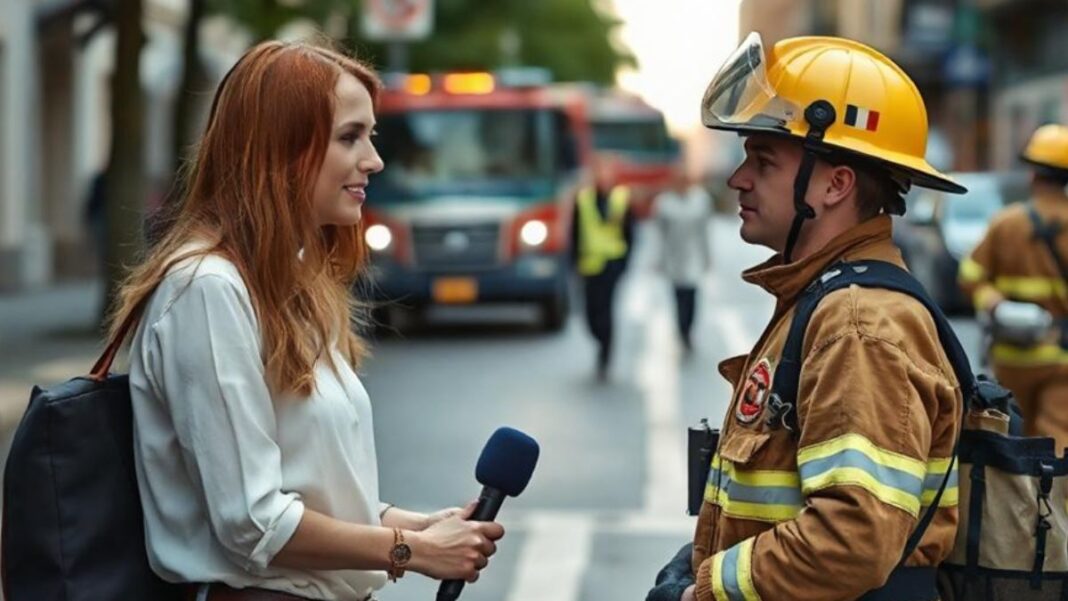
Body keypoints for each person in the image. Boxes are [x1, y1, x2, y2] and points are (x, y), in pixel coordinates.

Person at [107, 41, 504, 601]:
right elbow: (252, 522)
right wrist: (410, 551)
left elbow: (309, 486)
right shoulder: (206, 290)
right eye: (349, 137)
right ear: (279, 149)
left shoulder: (286, 281)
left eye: (371, 135)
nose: (374, 159)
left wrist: (415, 526)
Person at [681, 33, 966, 601]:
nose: (738, 179)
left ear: (836, 184)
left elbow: (851, 539)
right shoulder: (820, 299)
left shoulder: (858, 323)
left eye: (763, 161)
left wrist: (704, 591)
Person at [958, 123, 1068, 452]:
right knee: (1057, 441)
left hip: (1011, 356)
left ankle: (1014, 503)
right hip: (1062, 357)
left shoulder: (1006, 223)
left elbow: (969, 274)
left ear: (1032, 175)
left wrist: (992, 301)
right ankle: (1056, 502)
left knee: (1010, 441)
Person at [570, 157, 635, 381]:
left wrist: (625, 263)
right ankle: (600, 339)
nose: (603, 179)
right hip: (589, 264)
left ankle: (605, 355)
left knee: (606, 311)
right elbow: (575, 233)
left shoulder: (621, 199)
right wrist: (573, 262)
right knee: (590, 313)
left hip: (612, 264)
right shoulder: (583, 200)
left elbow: (630, 234)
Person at [653, 163, 713, 354]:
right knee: (678, 297)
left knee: (692, 296)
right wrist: (659, 259)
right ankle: (682, 331)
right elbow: (658, 234)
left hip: (693, 255)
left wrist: (707, 257)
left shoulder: (701, 200)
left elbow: (704, 232)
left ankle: (688, 329)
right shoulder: (664, 203)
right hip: (673, 257)